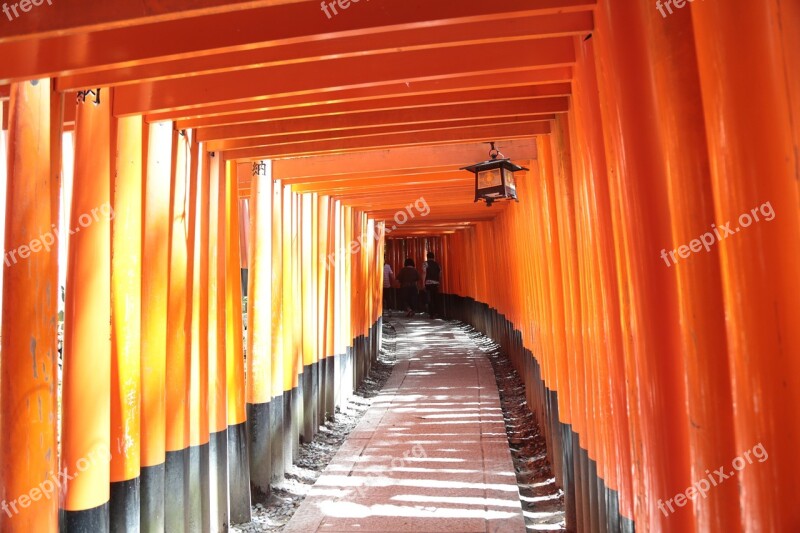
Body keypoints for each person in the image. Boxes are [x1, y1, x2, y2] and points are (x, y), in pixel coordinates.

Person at [422, 251, 442, 319]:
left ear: (427, 257)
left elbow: (424, 273)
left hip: (428, 283)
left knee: (429, 298)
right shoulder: (437, 264)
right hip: (436, 283)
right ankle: (436, 312)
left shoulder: (425, 263)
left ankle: (431, 313)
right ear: (433, 257)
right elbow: (440, 274)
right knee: (435, 298)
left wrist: (423, 283)